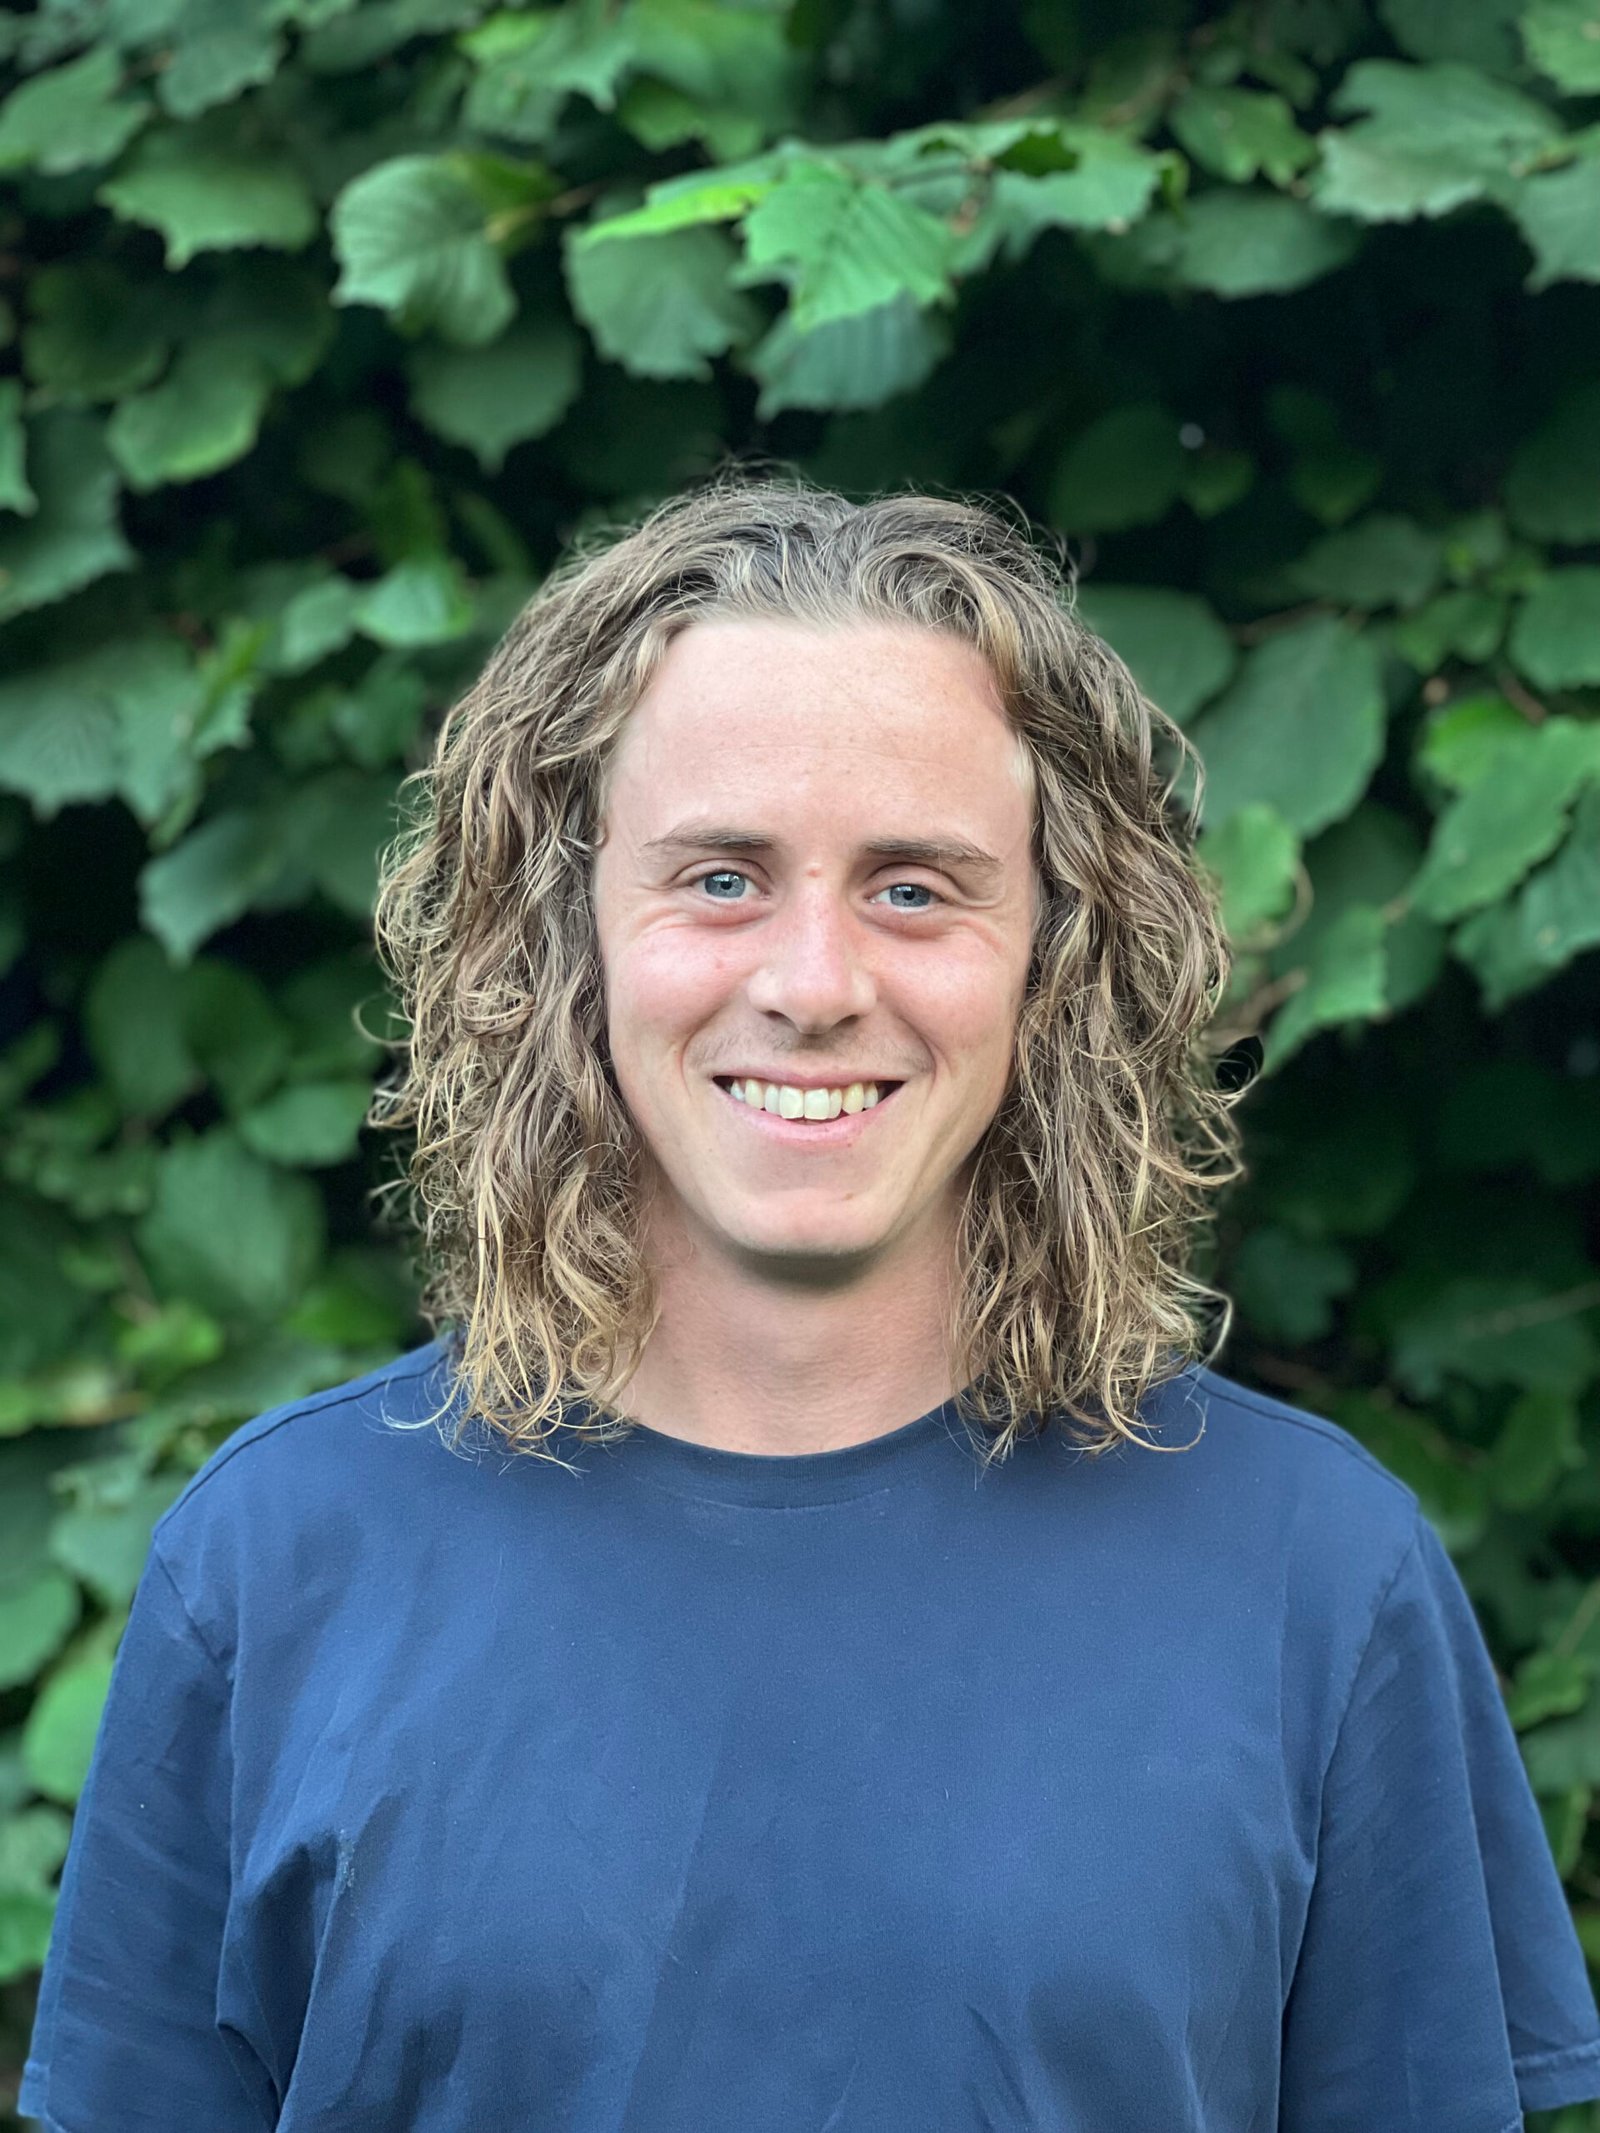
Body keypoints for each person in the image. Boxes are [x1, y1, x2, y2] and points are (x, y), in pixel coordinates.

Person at [20, 479, 1600, 2132]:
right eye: (722, 877)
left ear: (1057, 951)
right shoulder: (273, 1567)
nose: (815, 983)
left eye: (915, 887)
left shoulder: (1318, 1576)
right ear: (565, 932)